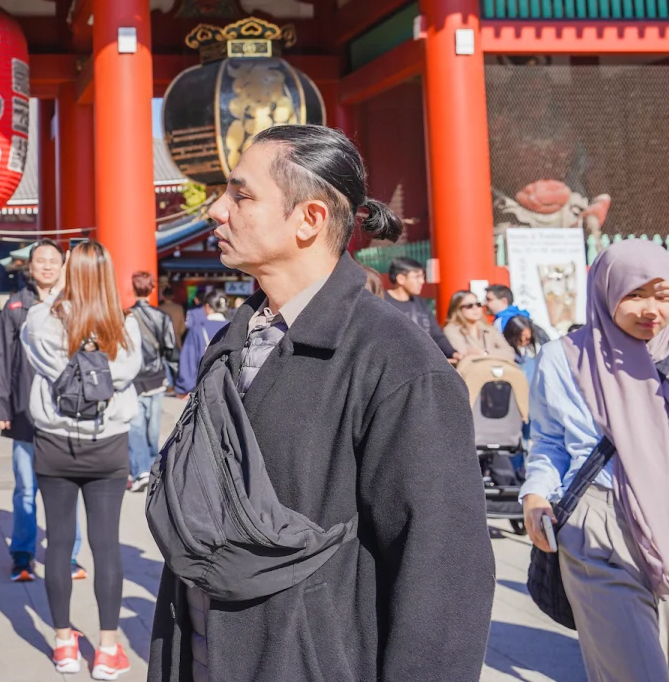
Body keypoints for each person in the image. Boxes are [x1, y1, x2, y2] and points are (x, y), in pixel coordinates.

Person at [148, 124, 494, 682]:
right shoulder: (232, 339)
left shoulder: (397, 363)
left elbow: (444, 570)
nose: (217, 211)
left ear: (309, 218)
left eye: (241, 195)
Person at [521, 240, 669, 682]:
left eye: (663, 295)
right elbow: (550, 440)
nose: (651, 310)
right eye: (634, 294)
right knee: (633, 672)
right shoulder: (564, 357)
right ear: (605, 291)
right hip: (598, 523)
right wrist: (534, 493)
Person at [23, 240, 141, 680]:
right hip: (107, 445)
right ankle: (108, 650)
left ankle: (63, 644)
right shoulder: (124, 328)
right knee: (106, 544)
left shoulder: (41, 321)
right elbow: (130, 376)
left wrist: (58, 296)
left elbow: (31, 350)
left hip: (54, 443)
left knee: (58, 542)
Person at [0, 239, 84, 583]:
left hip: (66, 411)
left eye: (52, 261)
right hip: (26, 412)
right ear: (29, 266)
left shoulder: (74, 303)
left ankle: (70, 555)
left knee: (67, 488)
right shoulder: (16, 306)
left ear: (63, 266)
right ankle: (23, 555)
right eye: (39, 261)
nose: (46, 266)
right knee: (26, 488)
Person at [127, 271, 176, 492]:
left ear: (133, 288)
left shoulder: (127, 316)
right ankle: (154, 469)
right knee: (153, 428)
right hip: (157, 377)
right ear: (152, 288)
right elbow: (170, 348)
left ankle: (140, 471)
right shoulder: (162, 317)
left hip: (134, 378)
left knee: (135, 427)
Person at [383, 256, 457, 359]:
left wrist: (453, 353)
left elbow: (436, 336)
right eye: (417, 276)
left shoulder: (421, 303)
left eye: (422, 276)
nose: (422, 281)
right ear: (401, 279)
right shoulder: (382, 302)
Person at [172, 293, 229, 396]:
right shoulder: (233, 327)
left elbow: (189, 360)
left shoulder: (197, 329)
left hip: (204, 385)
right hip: (228, 386)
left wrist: (183, 387)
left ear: (207, 306)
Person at [444, 289, 514, 362]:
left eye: (478, 304)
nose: (475, 308)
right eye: (469, 306)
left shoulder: (489, 329)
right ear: (457, 309)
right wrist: (494, 353)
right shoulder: (451, 330)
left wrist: (485, 353)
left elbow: (510, 353)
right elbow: (463, 354)